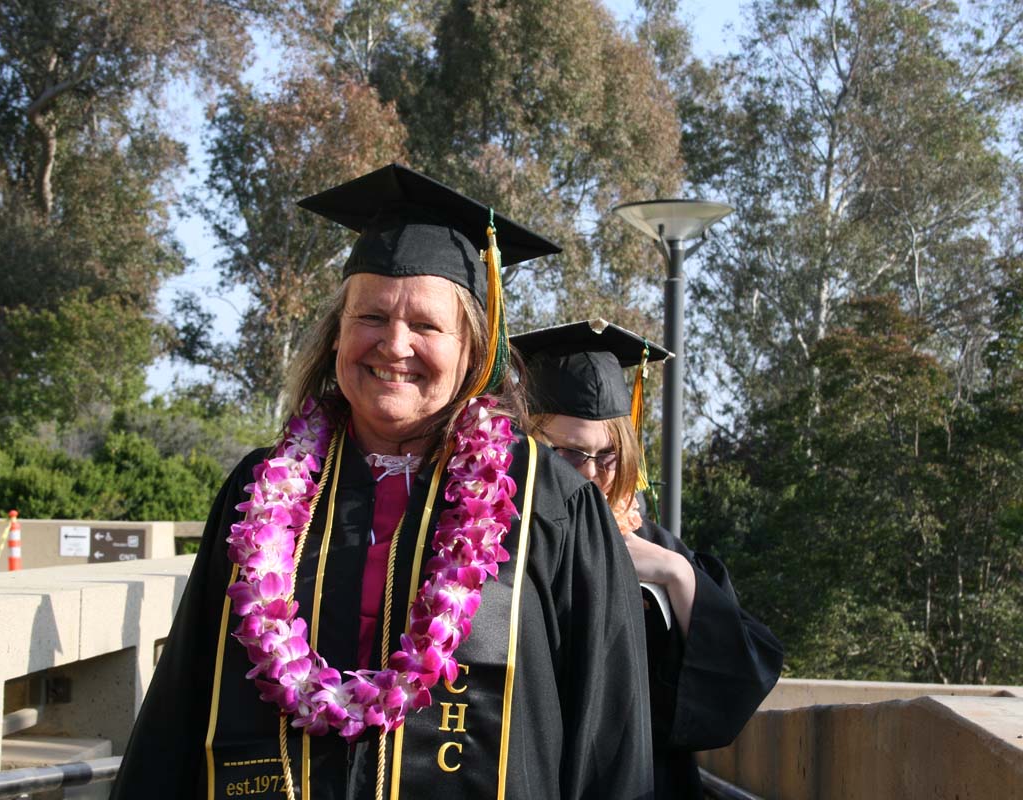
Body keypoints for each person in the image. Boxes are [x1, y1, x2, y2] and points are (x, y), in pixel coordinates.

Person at [110, 166, 654, 800]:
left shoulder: (550, 506)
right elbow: (183, 702)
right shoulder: (259, 493)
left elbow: (611, 739)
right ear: (337, 334)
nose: (394, 345)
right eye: (370, 315)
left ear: (473, 349)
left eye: (426, 325)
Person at [513, 318, 784, 800]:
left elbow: (740, 682)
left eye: (610, 455)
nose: (593, 474)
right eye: (570, 454)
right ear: (528, 443)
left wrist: (677, 575)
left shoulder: (656, 545)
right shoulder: (497, 543)